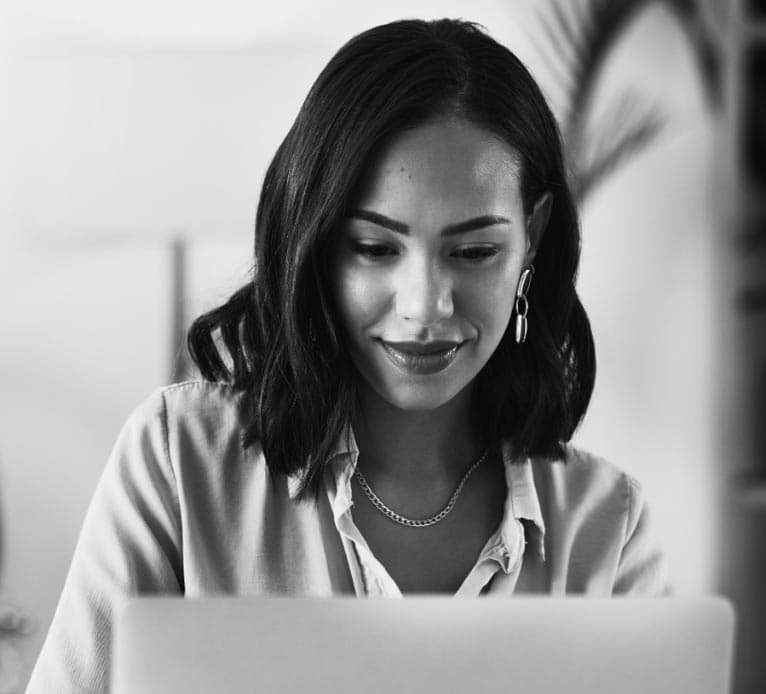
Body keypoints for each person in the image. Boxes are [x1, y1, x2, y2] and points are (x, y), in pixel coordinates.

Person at [26, 17, 668, 693]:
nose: (426, 306)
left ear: (531, 241)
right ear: (317, 245)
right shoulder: (178, 463)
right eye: (375, 249)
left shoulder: (605, 524)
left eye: (474, 251)